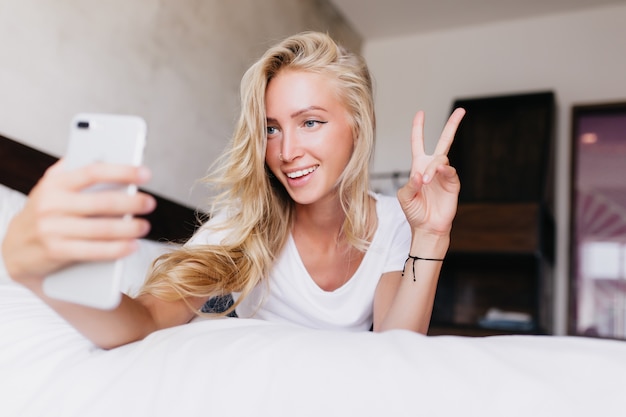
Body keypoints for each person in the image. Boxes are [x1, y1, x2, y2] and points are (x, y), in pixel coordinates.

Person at [2, 31, 465, 349]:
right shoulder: (240, 230)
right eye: (271, 129)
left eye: (310, 122)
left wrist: (431, 236)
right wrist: (45, 278)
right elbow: (143, 321)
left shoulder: (391, 223)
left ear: (358, 128)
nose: (286, 151)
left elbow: (395, 345)